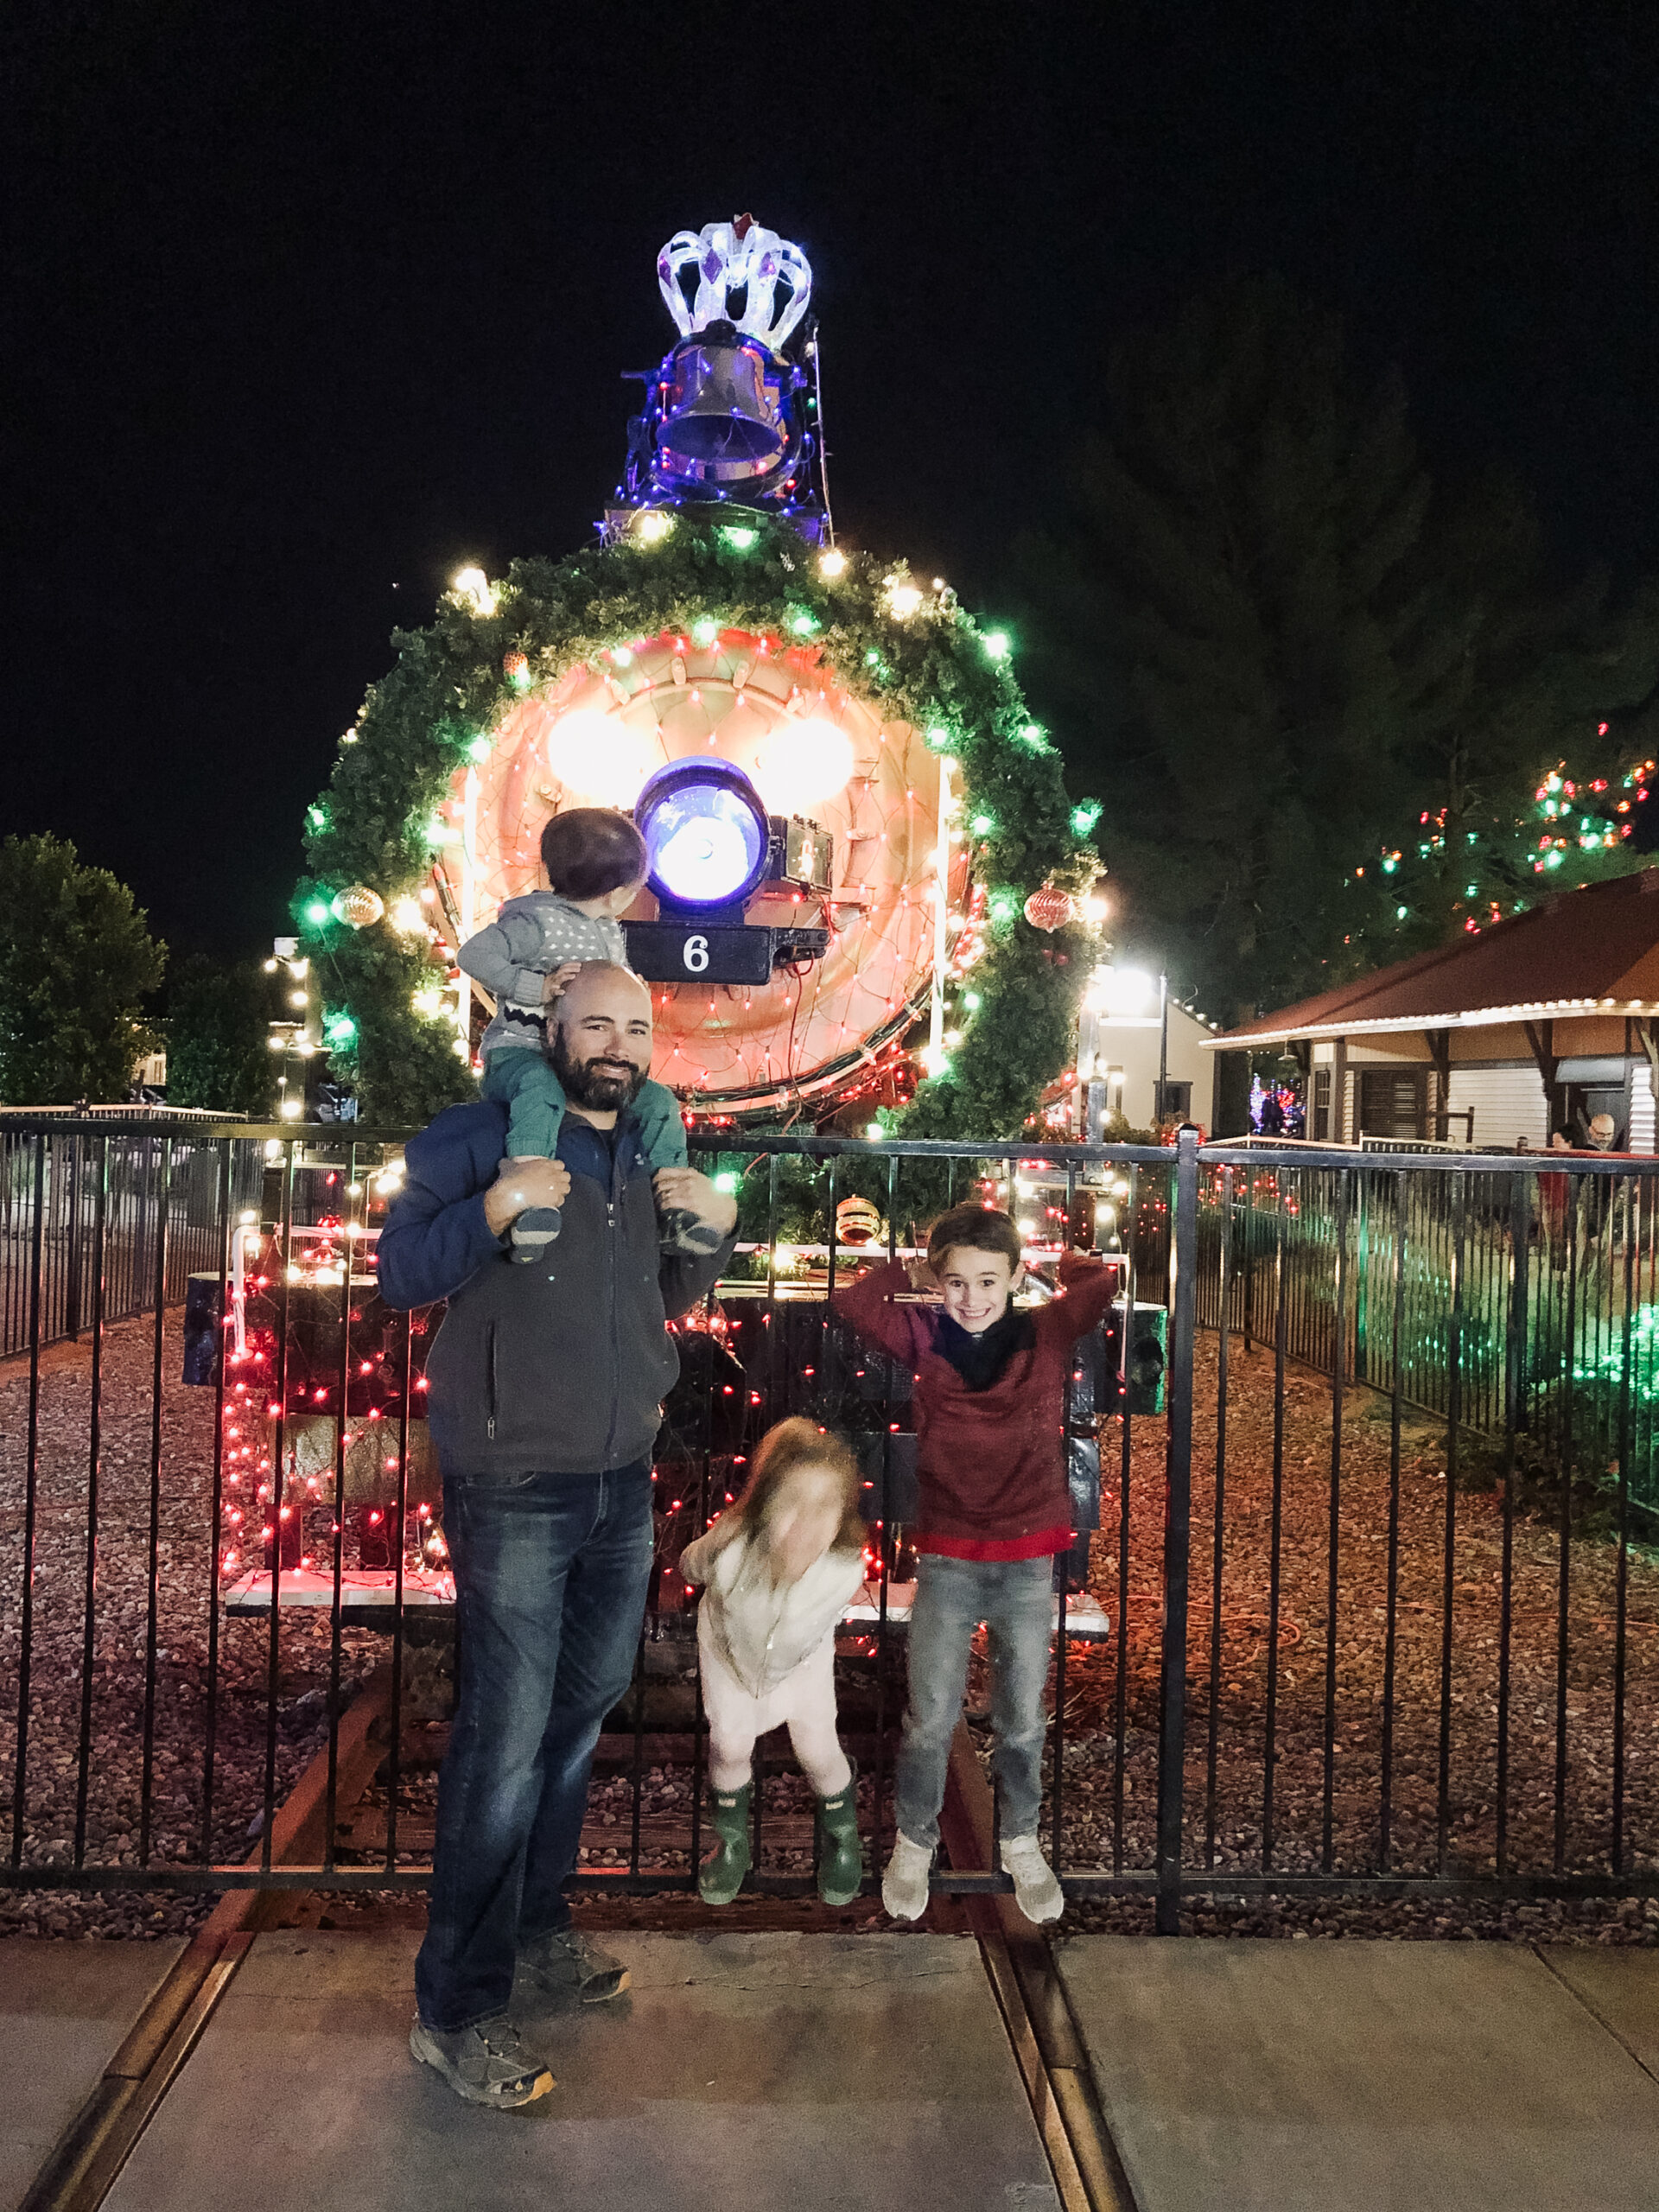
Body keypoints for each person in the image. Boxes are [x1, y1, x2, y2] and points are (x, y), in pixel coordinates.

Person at [377, 962, 738, 2110]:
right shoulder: (475, 1135)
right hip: (513, 1473)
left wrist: (714, 1238)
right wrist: (489, 1209)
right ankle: (458, 2007)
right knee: (506, 1735)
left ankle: (536, 1934)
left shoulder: (643, 1151)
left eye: (637, 1026)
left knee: (580, 1712)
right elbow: (398, 1274)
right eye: (599, 1023)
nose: (621, 1043)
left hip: (619, 1475)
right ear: (556, 1032)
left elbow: (660, 1300)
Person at [834, 1203, 1115, 1926]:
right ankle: (914, 1841)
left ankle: (1020, 1838)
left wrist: (1061, 1259)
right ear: (938, 1283)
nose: (973, 1298)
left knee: (1023, 1720)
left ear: (1016, 1277)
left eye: (990, 1281)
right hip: (950, 1557)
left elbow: (1098, 1282)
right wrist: (915, 1261)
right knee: (929, 1718)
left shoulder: (1045, 1335)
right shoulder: (924, 1334)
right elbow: (858, 1298)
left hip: (1025, 1559)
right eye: (956, 1282)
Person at [457, 807, 710, 1262]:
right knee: (539, 1089)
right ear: (617, 893)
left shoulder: (607, 932)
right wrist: (536, 986)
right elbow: (474, 954)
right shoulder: (537, 922)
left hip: (579, 1062)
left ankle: (674, 1207)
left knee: (659, 1103)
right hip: (522, 1055)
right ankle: (527, 1200)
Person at [677, 1419, 868, 1909]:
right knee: (729, 1746)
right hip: (730, 1658)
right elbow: (689, 1566)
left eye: (825, 1507)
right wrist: (718, 1543)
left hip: (800, 1665)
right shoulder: (734, 1549)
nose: (807, 1524)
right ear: (763, 1509)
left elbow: (804, 1621)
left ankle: (842, 1838)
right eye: (791, 1505)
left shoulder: (843, 1570)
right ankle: (733, 1844)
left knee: (819, 1749)